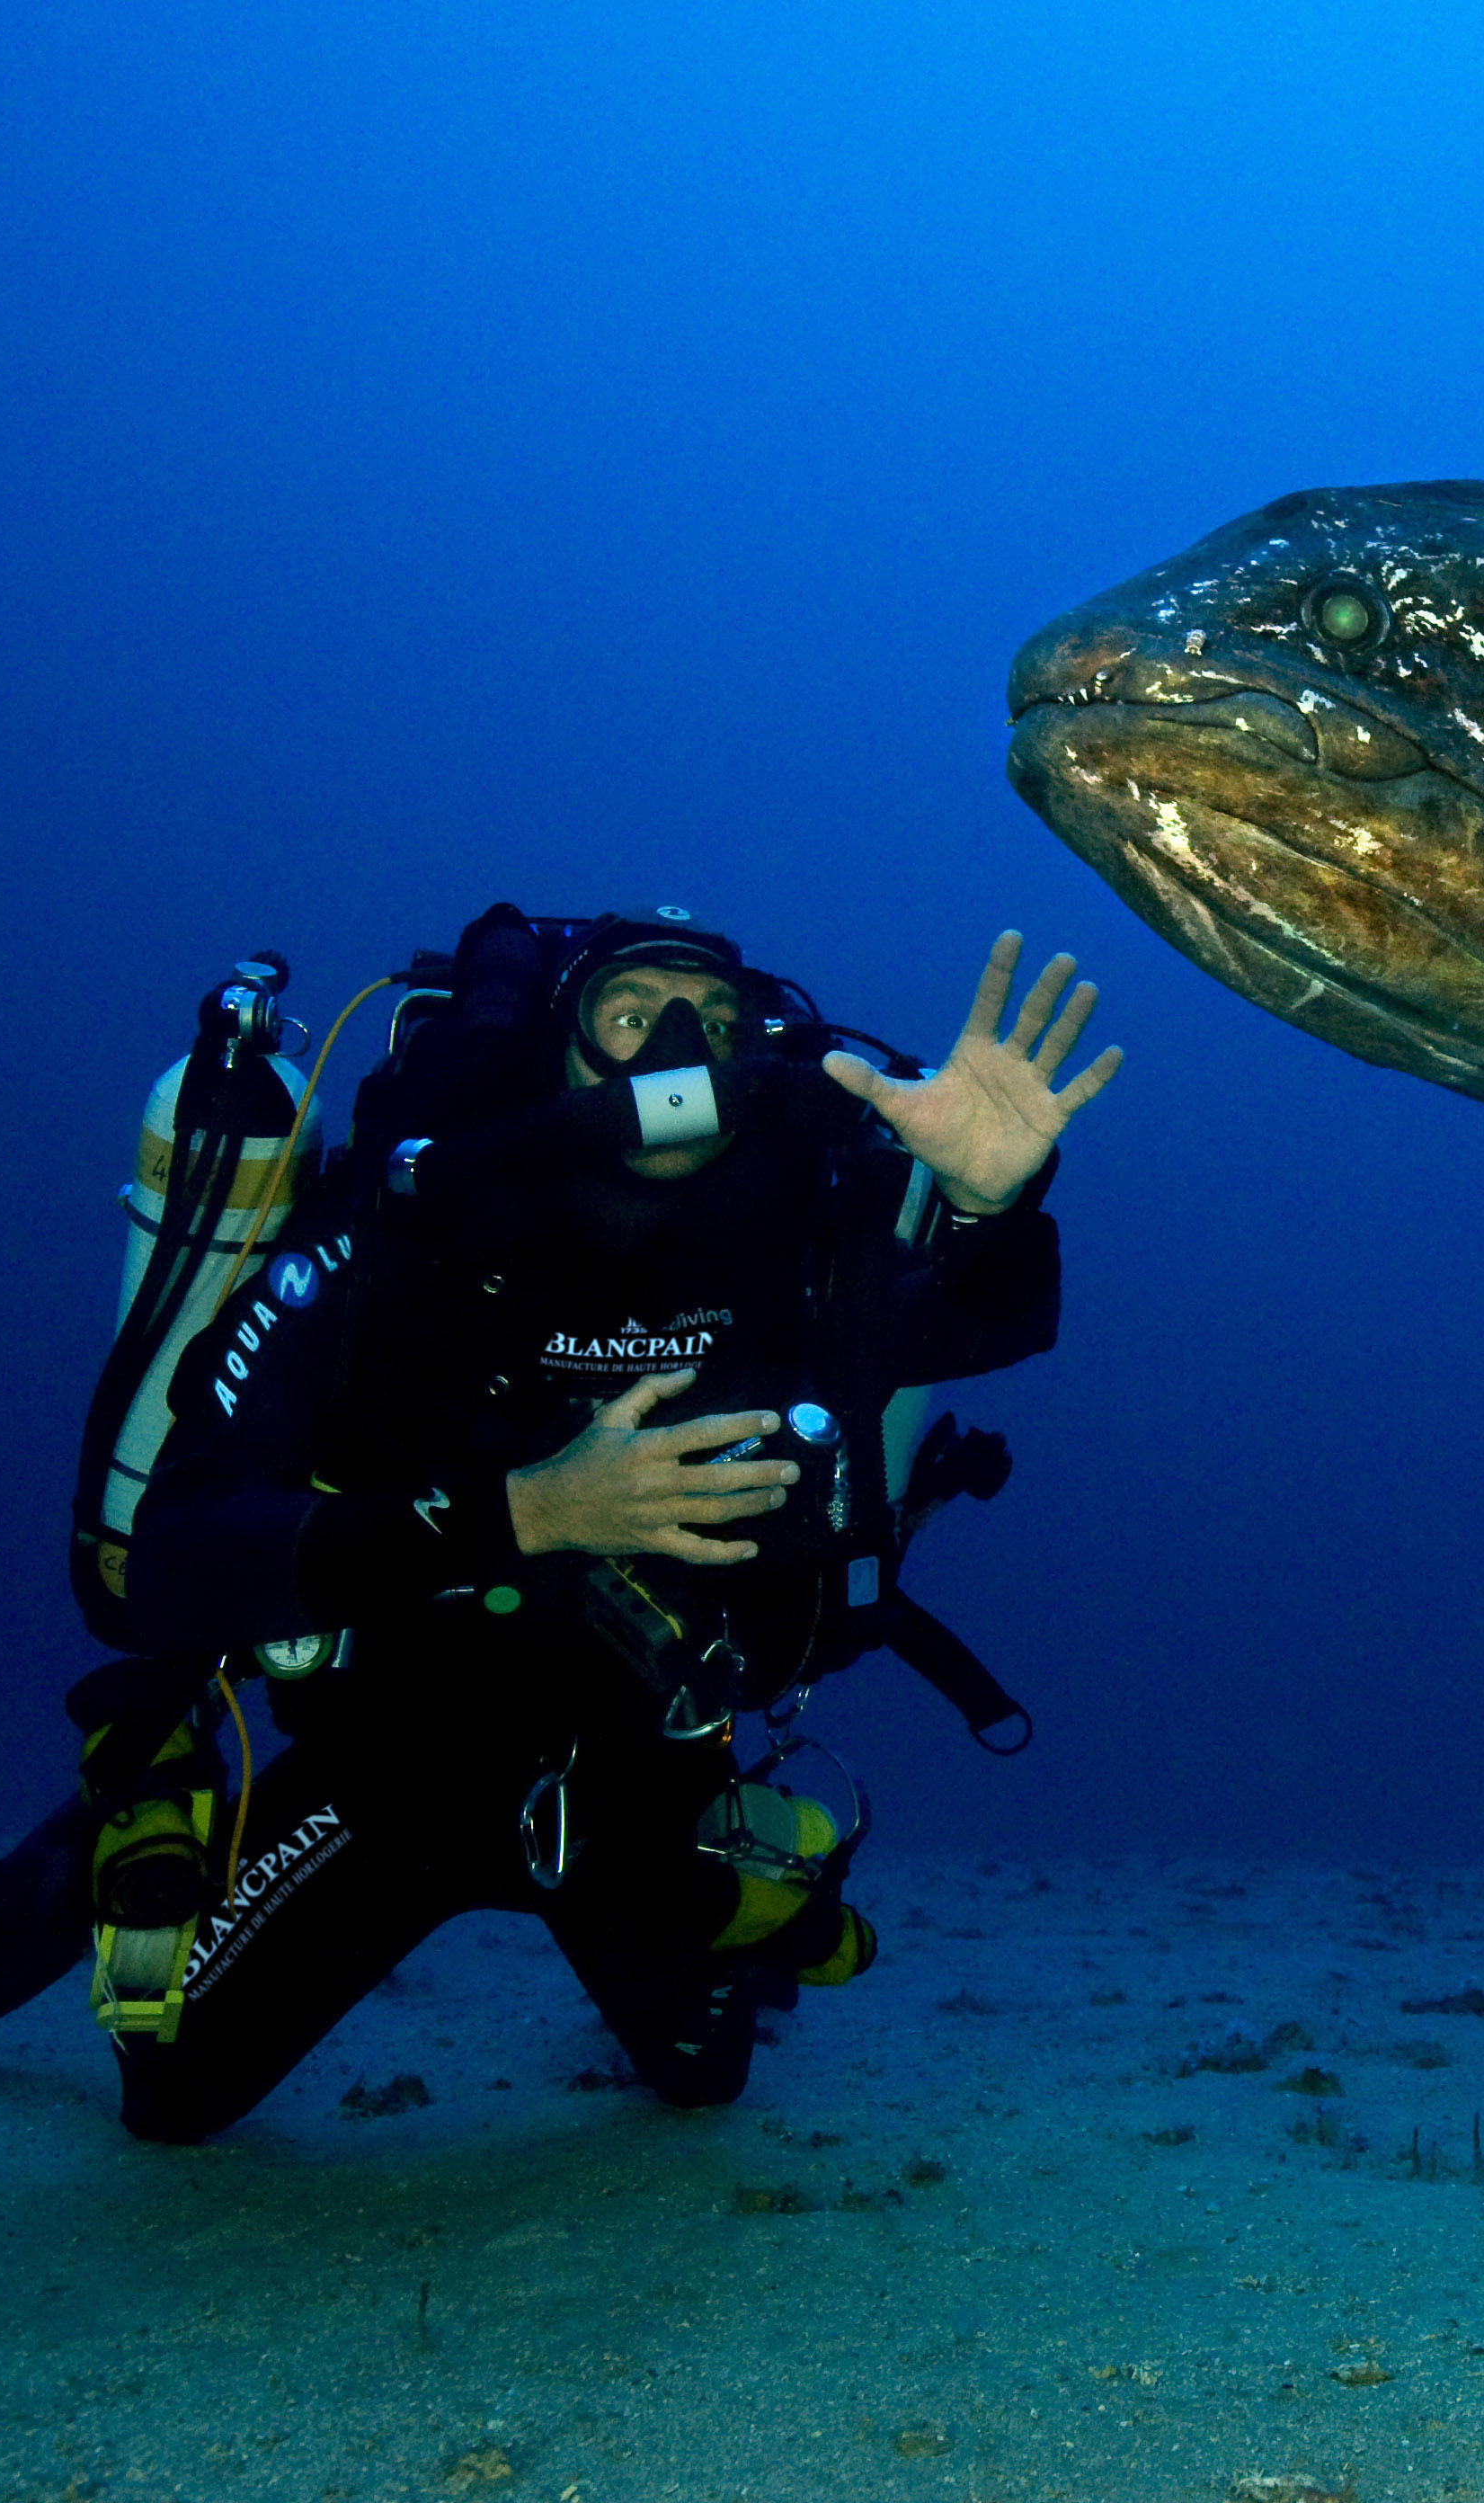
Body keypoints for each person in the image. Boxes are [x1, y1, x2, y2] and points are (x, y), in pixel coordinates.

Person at [84, 905, 1117, 2142]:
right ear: (556, 1050)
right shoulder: (409, 1215)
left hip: (642, 1773)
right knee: (173, 2094)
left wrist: (991, 1210)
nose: (677, 1047)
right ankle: (155, 1796)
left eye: (716, 1023)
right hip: (395, 1757)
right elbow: (179, 1555)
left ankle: (715, 1896)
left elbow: (953, 1328)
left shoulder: (791, 1226)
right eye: (630, 1016)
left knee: (705, 2079)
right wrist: (526, 1512)